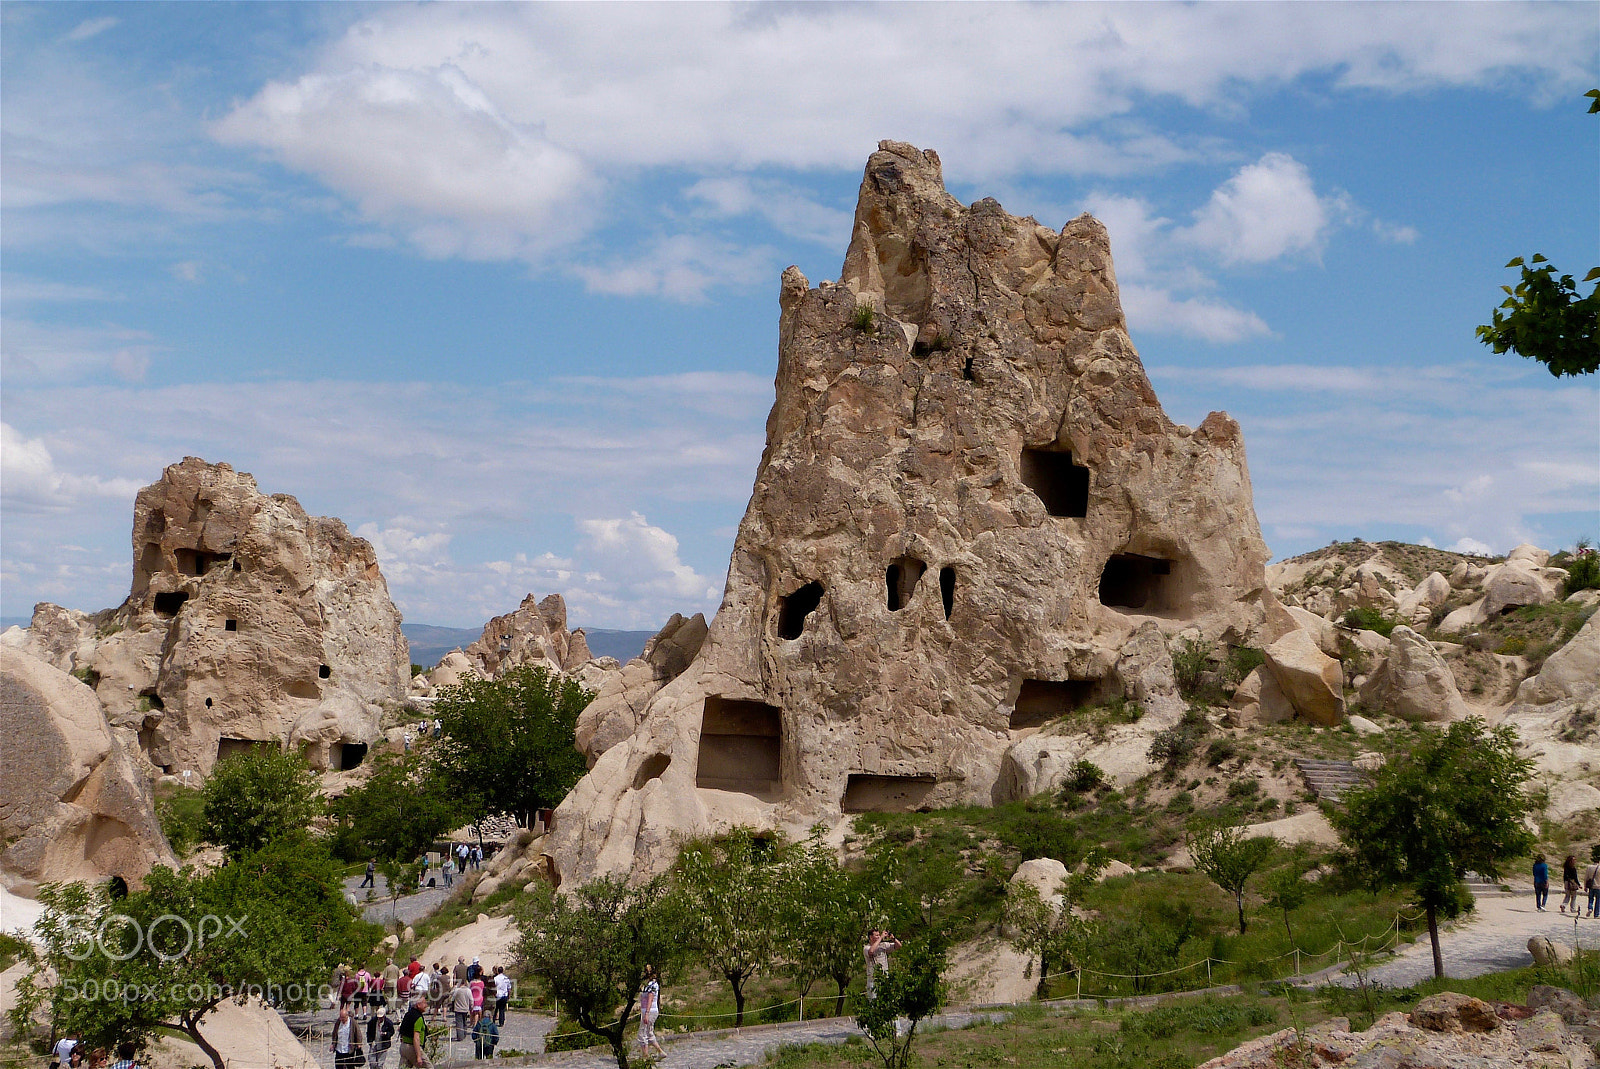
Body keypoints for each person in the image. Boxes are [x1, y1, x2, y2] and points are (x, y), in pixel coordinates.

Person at [637, 964, 665, 1060]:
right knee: (649, 1032)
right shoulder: (650, 985)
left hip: (649, 1011)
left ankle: (645, 1056)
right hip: (650, 1010)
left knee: (642, 1033)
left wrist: (647, 1014)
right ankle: (660, 1052)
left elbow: (650, 998)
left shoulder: (652, 985)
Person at [863, 929, 901, 998]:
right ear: (871, 937)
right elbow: (871, 951)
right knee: (873, 1001)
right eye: (876, 935)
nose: (878, 936)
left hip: (884, 977)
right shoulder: (866, 948)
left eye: (879, 935)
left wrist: (893, 938)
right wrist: (881, 938)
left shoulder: (883, 945)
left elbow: (898, 946)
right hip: (873, 979)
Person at [398, 996, 429, 1068]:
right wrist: (418, 1056)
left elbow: (401, 1030)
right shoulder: (418, 1018)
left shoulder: (408, 1014)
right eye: (424, 1003)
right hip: (412, 1047)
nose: (426, 1005)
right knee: (428, 1067)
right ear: (418, 1005)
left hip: (403, 1047)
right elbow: (416, 1038)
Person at [331, 1004, 365, 1069]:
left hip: (349, 1048)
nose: (342, 1019)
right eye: (341, 1017)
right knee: (338, 1065)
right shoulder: (338, 1022)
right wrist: (333, 1043)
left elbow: (358, 1033)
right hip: (339, 1048)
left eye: (343, 1018)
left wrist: (359, 1044)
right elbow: (335, 1033)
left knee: (350, 1065)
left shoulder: (353, 1022)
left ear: (347, 1016)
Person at [366, 1004, 395, 1069]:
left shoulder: (388, 1023)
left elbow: (392, 1032)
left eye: (381, 1017)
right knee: (372, 1063)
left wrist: (386, 1034)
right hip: (374, 1044)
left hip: (383, 1045)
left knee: (380, 1065)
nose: (379, 1019)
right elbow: (369, 1032)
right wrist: (370, 1041)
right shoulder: (372, 1022)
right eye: (378, 1017)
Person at [1586, 850, 1600, 918]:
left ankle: (1590, 908)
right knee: (1598, 900)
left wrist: (1585, 886)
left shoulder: (1589, 867)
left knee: (1590, 898)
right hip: (1598, 886)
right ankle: (1596, 914)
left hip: (1591, 886)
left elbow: (1586, 877)